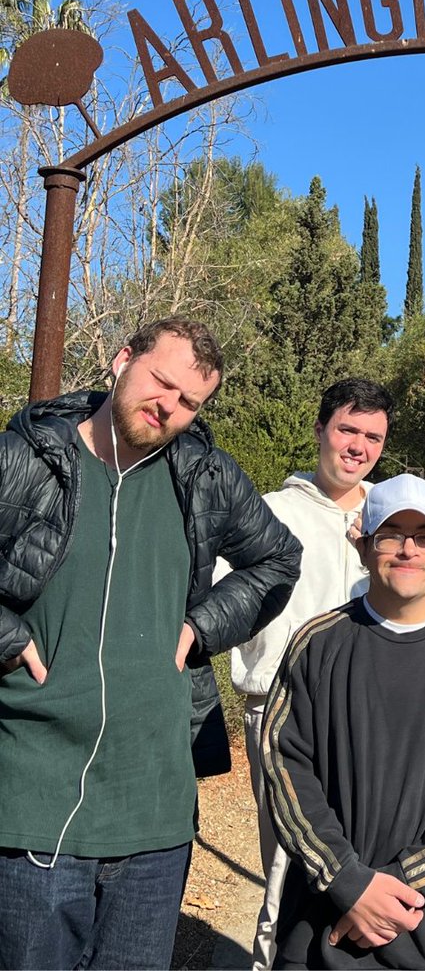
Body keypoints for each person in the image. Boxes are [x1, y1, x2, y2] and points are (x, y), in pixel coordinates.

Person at [0, 316, 302, 971]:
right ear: (121, 359)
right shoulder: (28, 460)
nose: (169, 407)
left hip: (156, 814)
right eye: (162, 382)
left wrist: (200, 629)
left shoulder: (205, 477)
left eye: (190, 402)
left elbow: (277, 560)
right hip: (32, 801)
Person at [262, 473, 425, 970]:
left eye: (424, 536)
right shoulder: (317, 644)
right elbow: (283, 770)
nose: (407, 550)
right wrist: (350, 884)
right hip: (323, 923)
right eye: (390, 535)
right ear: (363, 546)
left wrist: (396, 891)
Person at [227, 378, 395, 970]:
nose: (358, 446)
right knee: (287, 868)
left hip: (377, 721)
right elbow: (224, 604)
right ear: (321, 429)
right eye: (348, 429)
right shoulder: (269, 513)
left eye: (372, 436)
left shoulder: (394, 517)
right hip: (283, 711)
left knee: (368, 864)